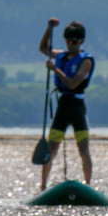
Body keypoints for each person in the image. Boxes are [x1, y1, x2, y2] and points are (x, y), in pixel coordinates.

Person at [38, 17, 94, 190]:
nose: (72, 44)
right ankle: (42, 186)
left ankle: (88, 185)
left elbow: (72, 83)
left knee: (83, 148)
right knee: (51, 148)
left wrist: (55, 70)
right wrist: (49, 28)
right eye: (69, 41)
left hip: (77, 107)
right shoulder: (61, 56)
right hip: (63, 106)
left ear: (81, 41)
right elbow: (43, 48)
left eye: (75, 41)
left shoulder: (86, 61)